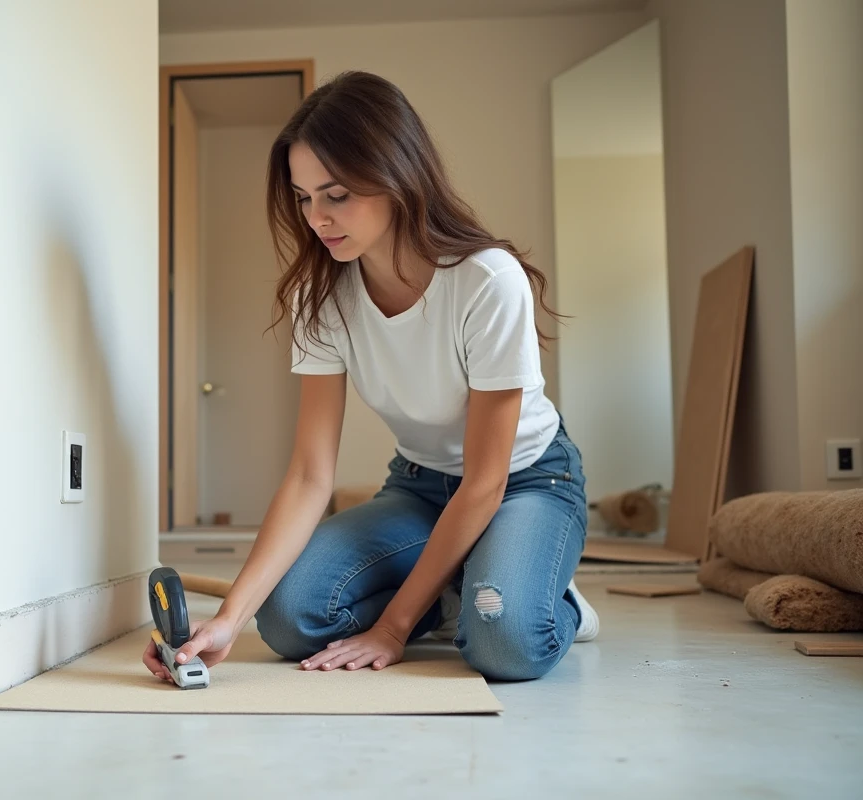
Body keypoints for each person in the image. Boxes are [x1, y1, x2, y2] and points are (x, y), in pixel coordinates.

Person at [143, 70, 598, 684]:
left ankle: (546, 596)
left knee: (505, 643)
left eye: (336, 194)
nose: (317, 218)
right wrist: (229, 618)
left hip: (524, 481)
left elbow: (486, 480)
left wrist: (392, 627)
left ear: (397, 175)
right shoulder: (321, 294)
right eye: (304, 198)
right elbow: (310, 474)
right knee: (286, 618)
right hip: (420, 486)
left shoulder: (487, 281)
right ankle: (452, 587)